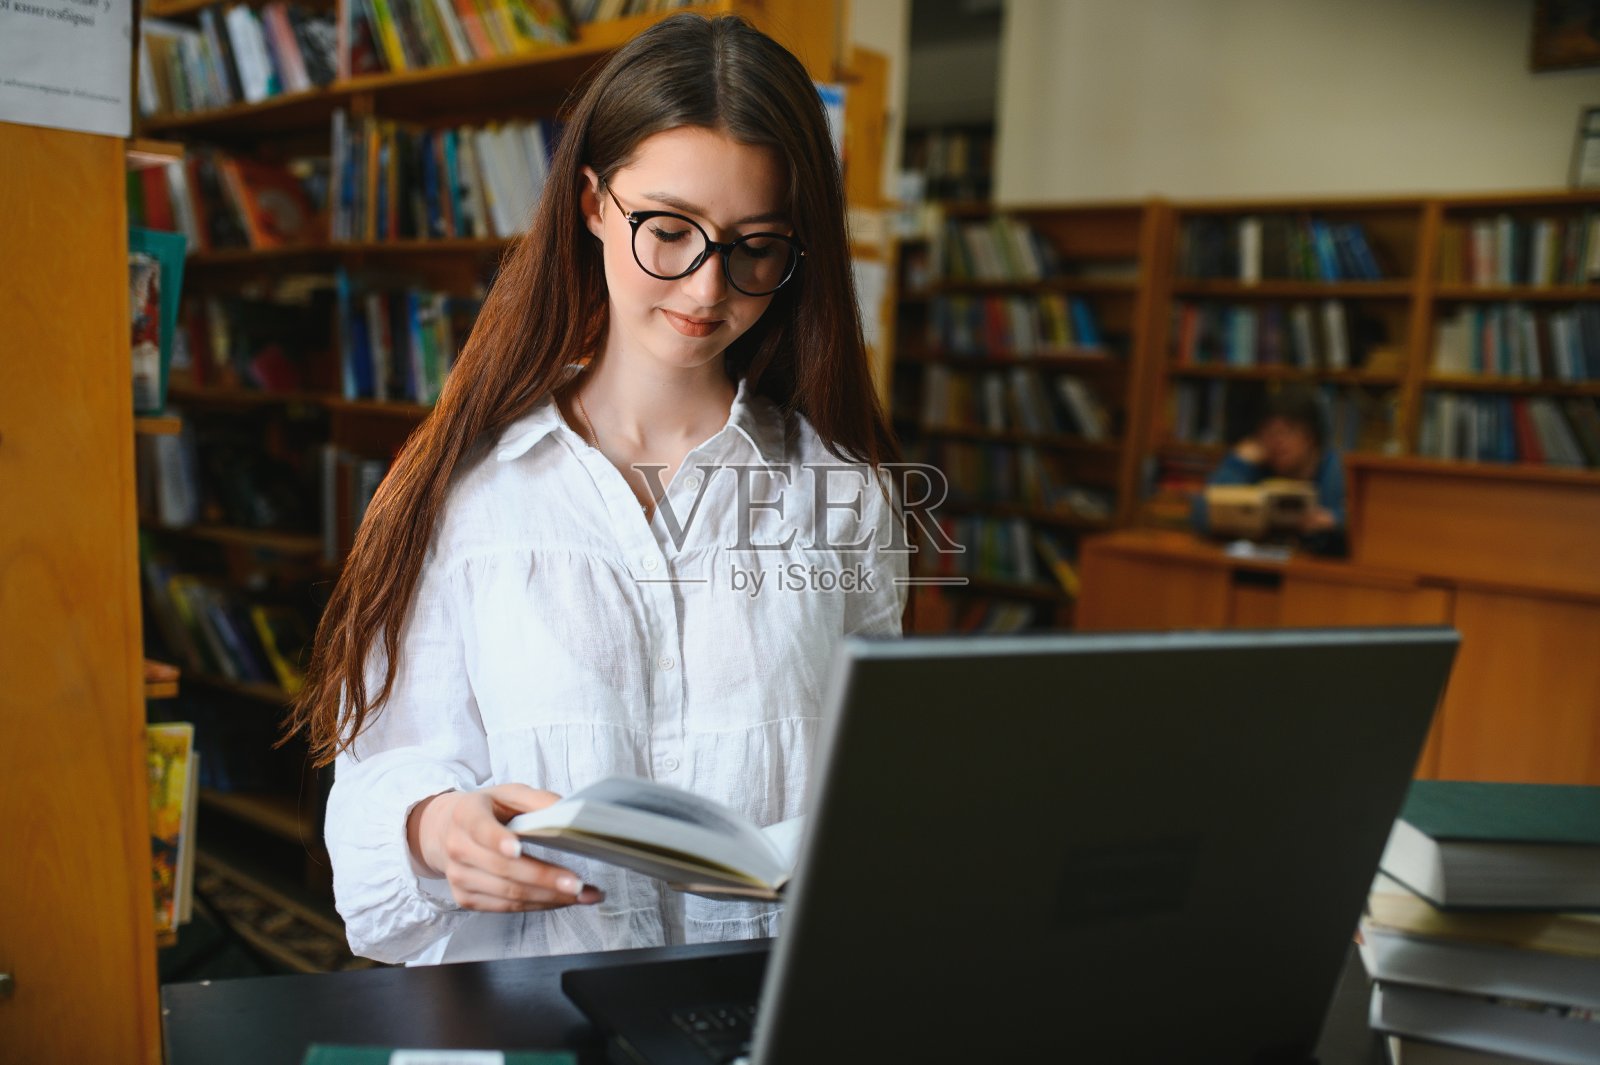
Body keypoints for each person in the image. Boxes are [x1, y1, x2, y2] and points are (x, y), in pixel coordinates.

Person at [286, 13, 908, 966]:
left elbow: (875, 779)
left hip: (760, 1010)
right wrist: (433, 827)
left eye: (756, 247)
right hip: (533, 1008)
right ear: (590, 202)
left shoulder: (846, 498)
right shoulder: (466, 491)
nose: (707, 290)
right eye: (669, 230)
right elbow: (387, 773)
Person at [1190, 386, 1346, 553]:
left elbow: (1364, 527)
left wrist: (1333, 522)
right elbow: (1202, 514)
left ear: (1311, 436)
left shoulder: (1336, 470)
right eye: (1269, 432)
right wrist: (1239, 463)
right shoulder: (1259, 467)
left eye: (1288, 431)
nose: (1277, 441)